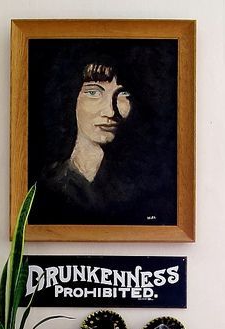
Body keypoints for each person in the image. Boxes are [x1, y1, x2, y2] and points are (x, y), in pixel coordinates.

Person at [28, 44, 178, 226]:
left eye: (123, 94)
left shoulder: (148, 188)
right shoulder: (46, 185)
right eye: (93, 92)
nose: (109, 111)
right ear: (70, 97)